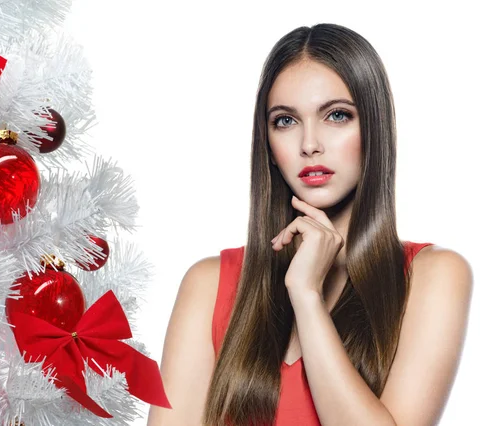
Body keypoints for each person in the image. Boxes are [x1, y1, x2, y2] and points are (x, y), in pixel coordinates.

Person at [146, 23, 473, 426]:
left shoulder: (433, 275)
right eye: (285, 121)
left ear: (374, 126)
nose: (309, 143)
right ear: (267, 142)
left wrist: (307, 295)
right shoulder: (209, 284)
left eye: (337, 116)